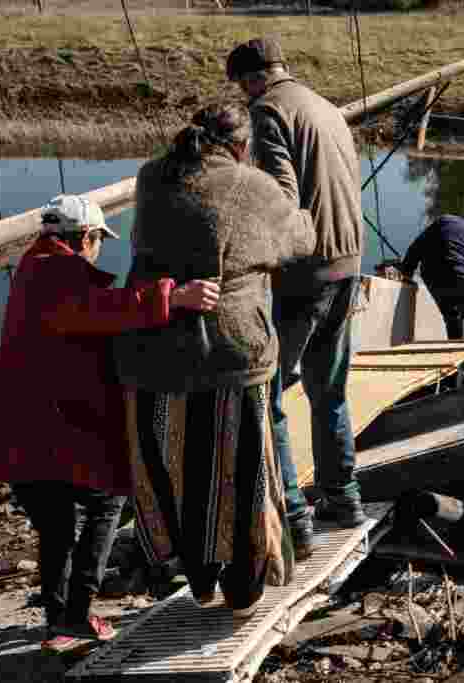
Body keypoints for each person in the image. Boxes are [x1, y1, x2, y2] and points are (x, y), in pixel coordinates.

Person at [0, 194, 220, 652]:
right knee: (106, 501)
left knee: (58, 525)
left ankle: (60, 619)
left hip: (12, 432)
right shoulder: (59, 273)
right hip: (44, 432)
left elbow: (92, 311)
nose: (99, 249)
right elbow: (106, 308)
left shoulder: (33, 268)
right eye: (98, 242)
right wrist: (176, 295)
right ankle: (77, 614)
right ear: (85, 238)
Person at [113, 104, 316, 617]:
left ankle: (197, 578)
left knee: (177, 472)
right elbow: (299, 239)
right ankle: (242, 589)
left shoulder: (151, 177)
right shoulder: (253, 186)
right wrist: (294, 196)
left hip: (151, 353)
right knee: (242, 475)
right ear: (242, 146)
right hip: (228, 356)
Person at [227, 36, 365, 560]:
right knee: (329, 388)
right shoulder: (325, 107)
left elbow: (282, 195)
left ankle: (295, 517)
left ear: (253, 80)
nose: (242, 97)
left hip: (305, 271)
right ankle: (344, 499)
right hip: (347, 260)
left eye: (242, 87)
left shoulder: (267, 111)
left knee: (270, 391)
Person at [399, 208, 464, 340]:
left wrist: (406, 273)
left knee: (452, 317)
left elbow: (417, 246)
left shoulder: (444, 220)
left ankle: (454, 348)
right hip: (458, 275)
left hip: (431, 275)